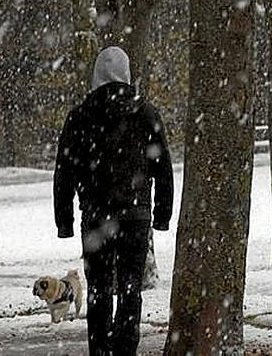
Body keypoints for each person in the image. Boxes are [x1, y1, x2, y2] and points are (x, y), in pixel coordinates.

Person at [53, 46, 174, 355]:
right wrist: (161, 214)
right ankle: (125, 349)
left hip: (95, 216)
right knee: (131, 288)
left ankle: (101, 350)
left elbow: (65, 170)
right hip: (134, 216)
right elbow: (163, 167)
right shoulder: (145, 112)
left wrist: (64, 220)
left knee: (99, 290)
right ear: (127, 73)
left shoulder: (80, 115)